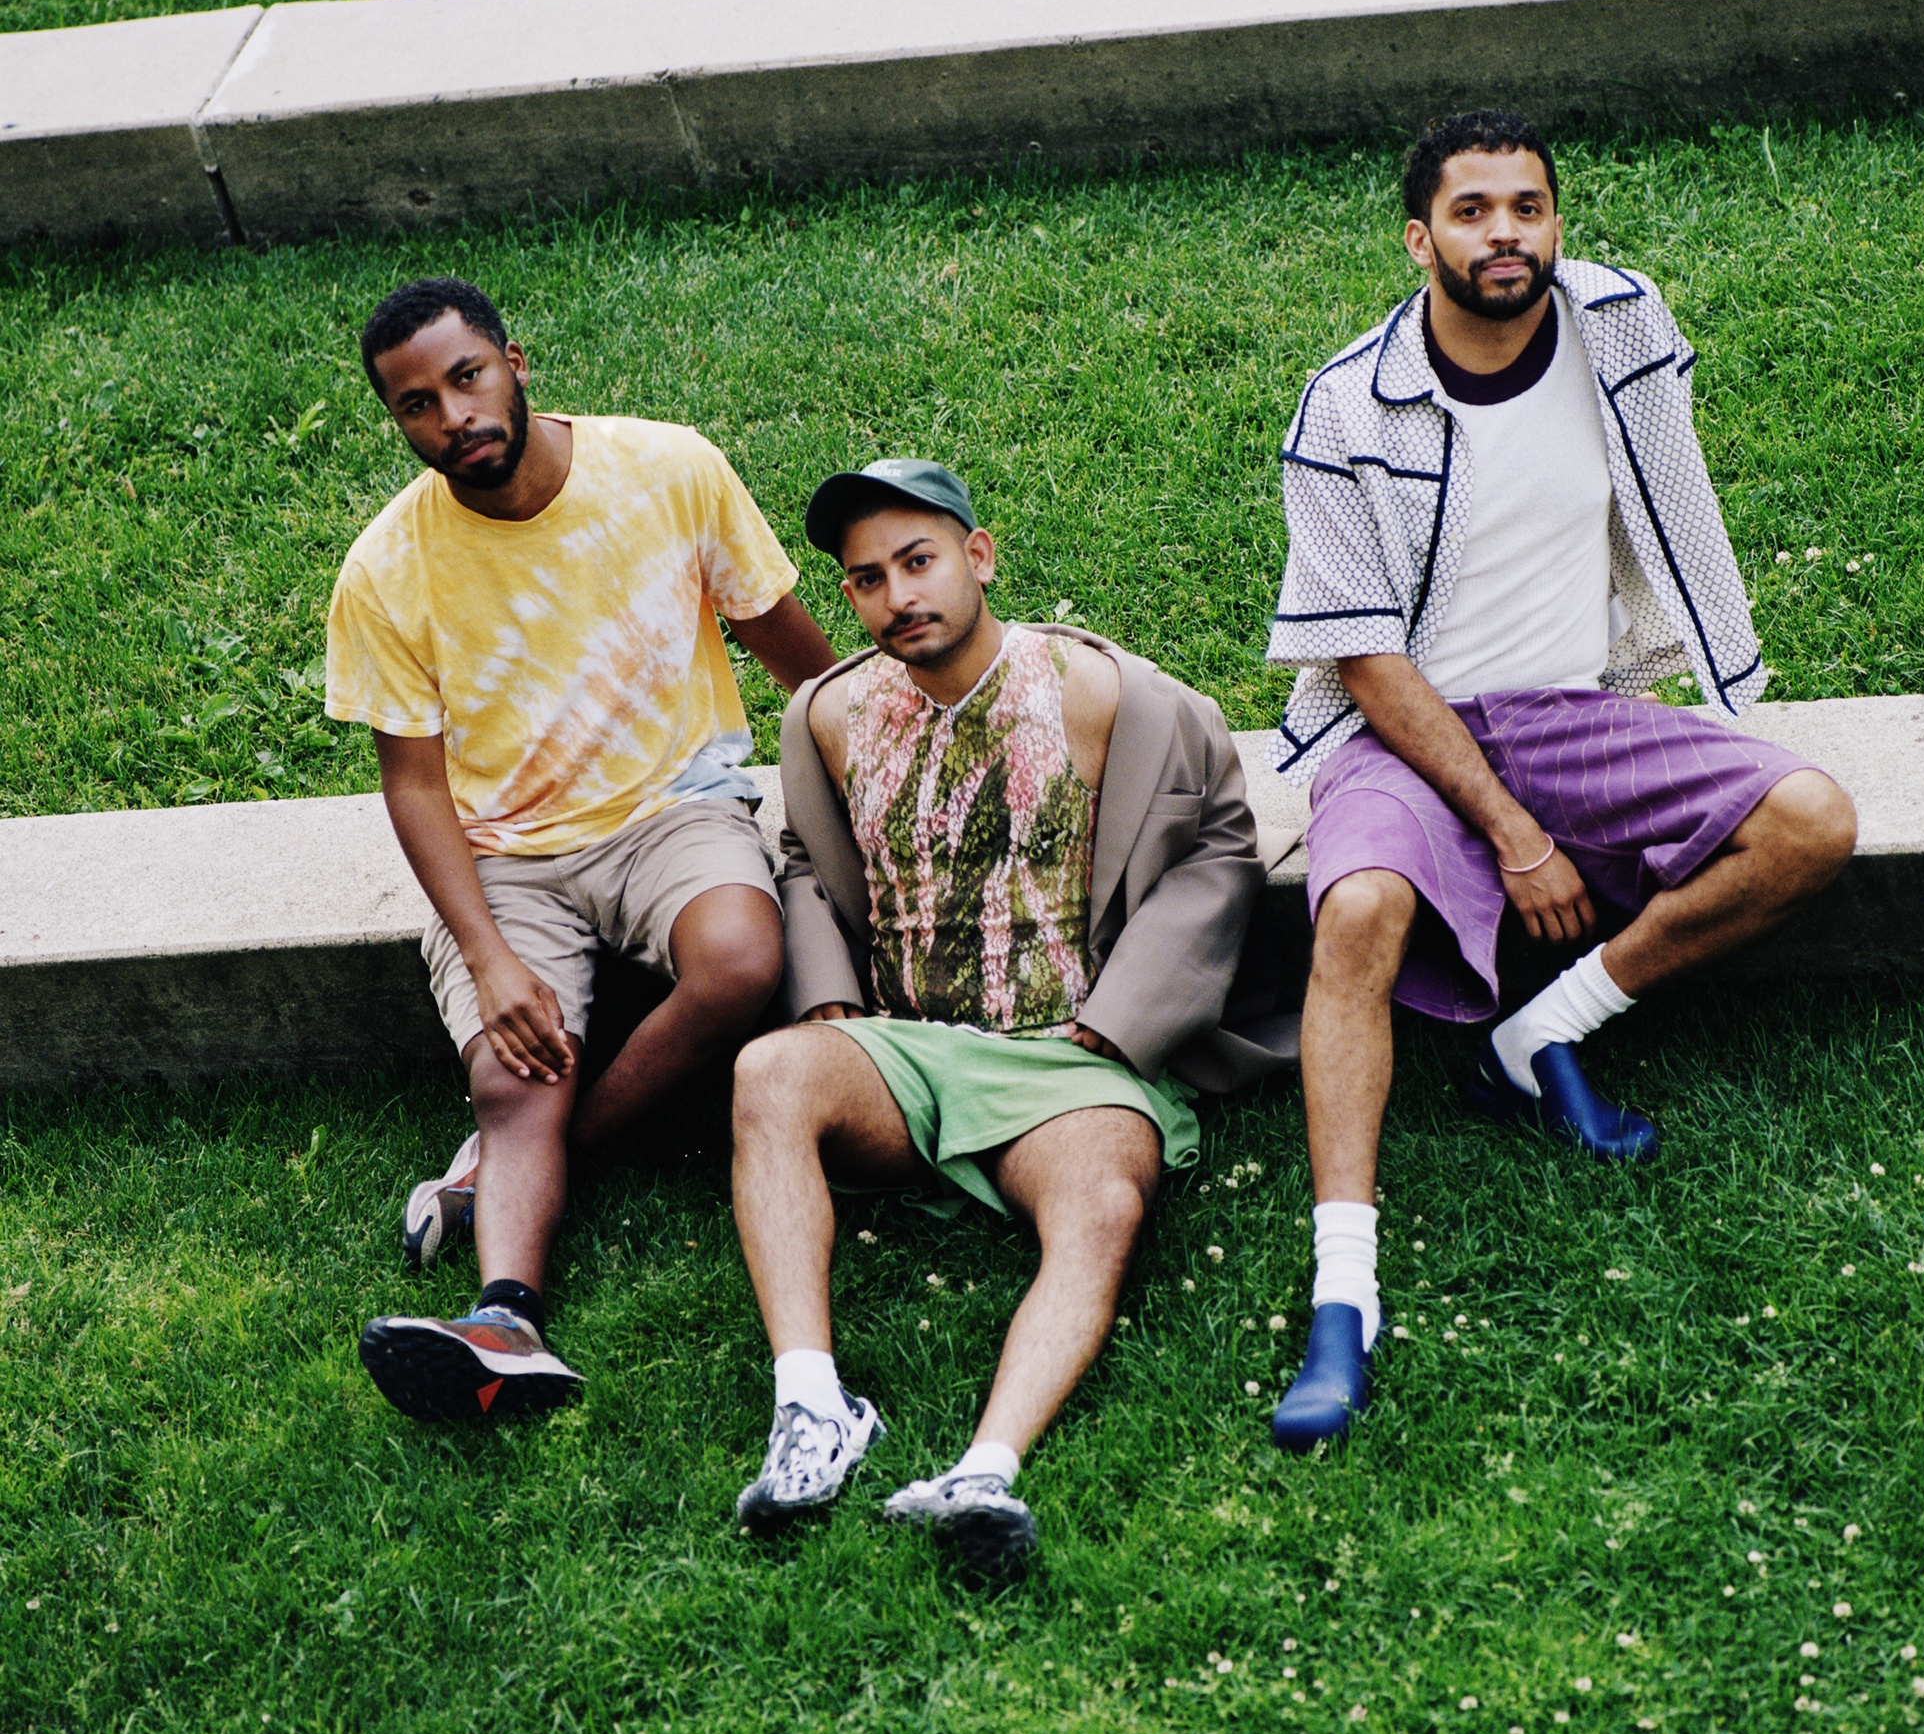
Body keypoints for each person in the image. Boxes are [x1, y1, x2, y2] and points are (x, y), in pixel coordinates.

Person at [1263, 108, 1858, 1450]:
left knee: (1811, 822)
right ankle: (1341, 1301)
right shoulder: (1348, 402)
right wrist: (1510, 828)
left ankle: (1544, 1033)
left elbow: (1665, 500)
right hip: (1408, 731)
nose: (1504, 235)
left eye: (1527, 208)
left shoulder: (1619, 324)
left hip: (1576, 709)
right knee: (1356, 911)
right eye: (1472, 212)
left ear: (1556, 225)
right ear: (1420, 239)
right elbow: (1361, 653)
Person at [727, 458, 1270, 1569]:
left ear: (979, 557)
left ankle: (985, 1468)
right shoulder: (825, 714)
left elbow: (1221, 840)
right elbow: (797, 860)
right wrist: (826, 990)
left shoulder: (1106, 693)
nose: (896, 597)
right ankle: (813, 1407)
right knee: (767, 1074)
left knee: (1102, 1206)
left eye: (917, 562)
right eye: (866, 580)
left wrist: (1120, 1022)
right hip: (905, 1052)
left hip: (1072, 1056)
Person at [326, 276, 837, 1422]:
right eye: (416, 405)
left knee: (741, 959)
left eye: (466, 378)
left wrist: (896, 739)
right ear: (398, 422)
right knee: (512, 1072)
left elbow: (792, 651)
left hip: (672, 807)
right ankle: (505, 1314)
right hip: (506, 854)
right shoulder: (386, 569)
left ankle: (527, 1164)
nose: (452, 416)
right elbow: (412, 787)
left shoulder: (665, 469)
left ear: (515, 361)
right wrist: (491, 958)